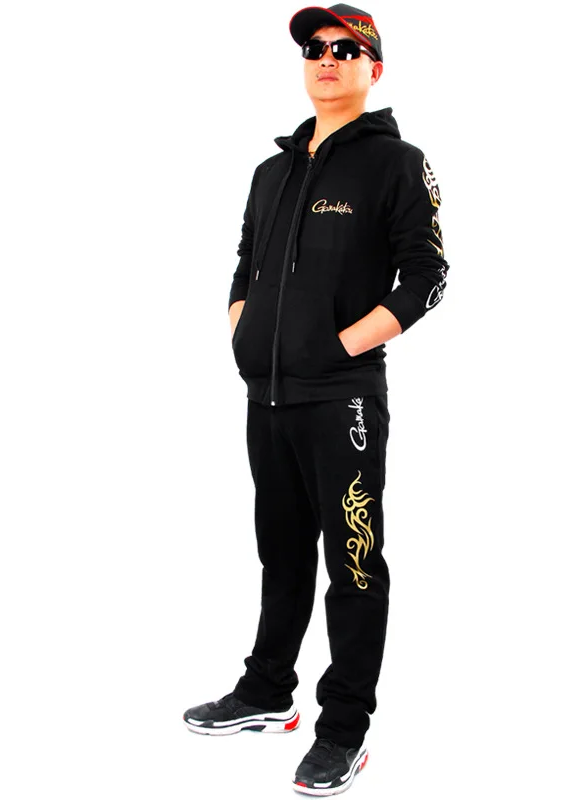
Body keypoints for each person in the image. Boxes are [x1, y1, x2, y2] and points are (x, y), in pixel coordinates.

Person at [183, 4, 448, 795]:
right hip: (266, 398)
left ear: (374, 68)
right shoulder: (273, 171)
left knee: (354, 562)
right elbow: (244, 261)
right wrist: (243, 325)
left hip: (343, 401)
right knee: (281, 551)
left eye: (345, 48)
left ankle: (344, 729)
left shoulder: (397, 163)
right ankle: (267, 691)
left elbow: (428, 275)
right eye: (314, 48)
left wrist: (340, 347)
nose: (326, 58)